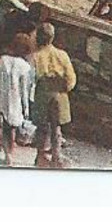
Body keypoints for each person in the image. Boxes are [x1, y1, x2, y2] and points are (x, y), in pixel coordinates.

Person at [31, 22, 77, 167]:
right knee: (57, 127)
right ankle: (56, 156)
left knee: (42, 127)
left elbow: (32, 77)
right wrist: (65, 89)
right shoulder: (62, 55)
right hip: (59, 94)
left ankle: (40, 155)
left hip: (43, 93)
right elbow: (71, 79)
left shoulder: (36, 56)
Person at [0, 32, 37, 166]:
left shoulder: (2, 60)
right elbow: (25, 89)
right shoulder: (25, 66)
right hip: (16, 100)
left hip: (0, 96)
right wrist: (26, 106)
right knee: (10, 129)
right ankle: (9, 154)